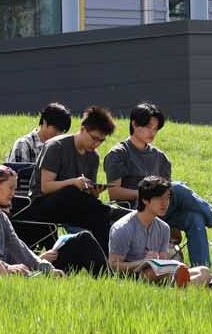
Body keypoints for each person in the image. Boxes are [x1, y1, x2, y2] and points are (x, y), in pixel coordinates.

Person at [102, 103, 212, 268]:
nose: (152, 132)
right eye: (148, 127)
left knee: (195, 218)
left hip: (162, 211)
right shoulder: (119, 154)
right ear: (134, 124)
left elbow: (167, 195)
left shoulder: (160, 157)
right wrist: (145, 194)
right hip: (137, 210)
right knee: (177, 187)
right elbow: (114, 193)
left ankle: (202, 271)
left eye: (156, 128)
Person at [14, 105, 128, 255]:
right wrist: (73, 182)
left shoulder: (93, 157)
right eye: (94, 138)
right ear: (82, 129)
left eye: (101, 141)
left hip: (73, 207)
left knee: (99, 218)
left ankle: (108, 263)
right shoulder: (56, 146)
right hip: (42, 205)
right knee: (71, 192)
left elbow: (86, 197)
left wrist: (94, 192)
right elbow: (45, 187)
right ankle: (109, 211)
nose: (96, 144)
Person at [0, 165, 86, 274]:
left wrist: (45, 267)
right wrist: (7, 268)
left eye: (14, 189)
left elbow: (18, 246)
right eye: (10, 188)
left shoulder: (1, 216)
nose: (13, 193)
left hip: (3, 273)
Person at [107, 176, 212, 288]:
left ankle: (183, 286)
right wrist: (143, 262)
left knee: (204, 270)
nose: (165, 203)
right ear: (145, 200)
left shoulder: (164, 228)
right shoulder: (123, 228)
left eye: (167, 198)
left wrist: (160, 260)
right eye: (159, 198)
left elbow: (164, 261)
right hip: (136, 275)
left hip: (162, 273)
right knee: (153, 272)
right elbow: (114, 266)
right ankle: (190, 284)